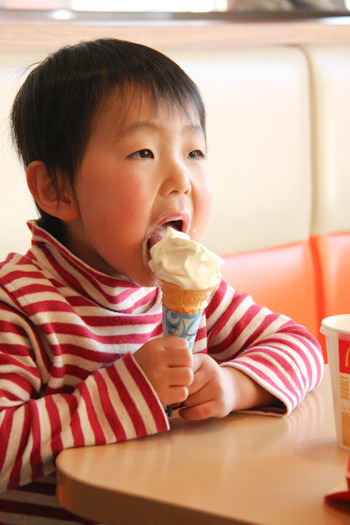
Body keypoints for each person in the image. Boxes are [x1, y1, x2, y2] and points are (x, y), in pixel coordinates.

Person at [0, 38, 324, 523]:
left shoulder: (196, 291)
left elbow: (300, 344)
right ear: (57, 189)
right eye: (143, 152)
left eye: (194, 151)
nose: (181, 179)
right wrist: (127, 392)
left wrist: (235, 386)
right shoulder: (22, 302)